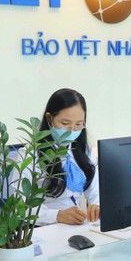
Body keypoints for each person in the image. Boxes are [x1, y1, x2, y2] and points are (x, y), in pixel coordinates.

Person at [34, 88, 100, 225]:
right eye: (65, 124)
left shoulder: (84, 149)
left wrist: (96, 205)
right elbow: (20, 207)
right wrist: (57, 216)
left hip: (76, 226)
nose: (71, 130)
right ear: (49, 118)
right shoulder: (31, 155)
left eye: (78, 124)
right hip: (45, 228)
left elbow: (95, 191)